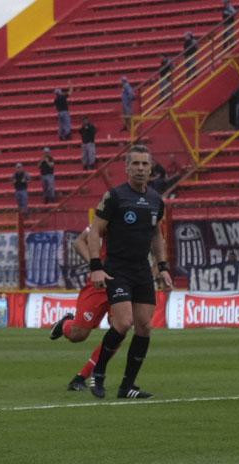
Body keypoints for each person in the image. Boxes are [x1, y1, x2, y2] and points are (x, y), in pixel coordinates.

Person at [85, 145, 172, 400]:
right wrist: (96, 268)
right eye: (136, 164)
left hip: (141, 270)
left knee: (144, 327)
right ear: (126, 168)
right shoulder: (115, 197)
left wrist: (163, 267)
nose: (141, 169)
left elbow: (156, 234)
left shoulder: (156, 200)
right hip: (117, 269)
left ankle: (127, 386)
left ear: (151, 168)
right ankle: (98, 374)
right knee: (123, 323)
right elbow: (94, 232)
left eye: (145, 164)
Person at [50, 227, 116, 391]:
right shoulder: (108, 216)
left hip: (125, 283)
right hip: (99, 285)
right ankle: (66, 324)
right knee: (78, 335)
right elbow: (79, 242)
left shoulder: (144, 214)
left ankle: (82, 377)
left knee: (119, 331)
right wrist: (96, 267)